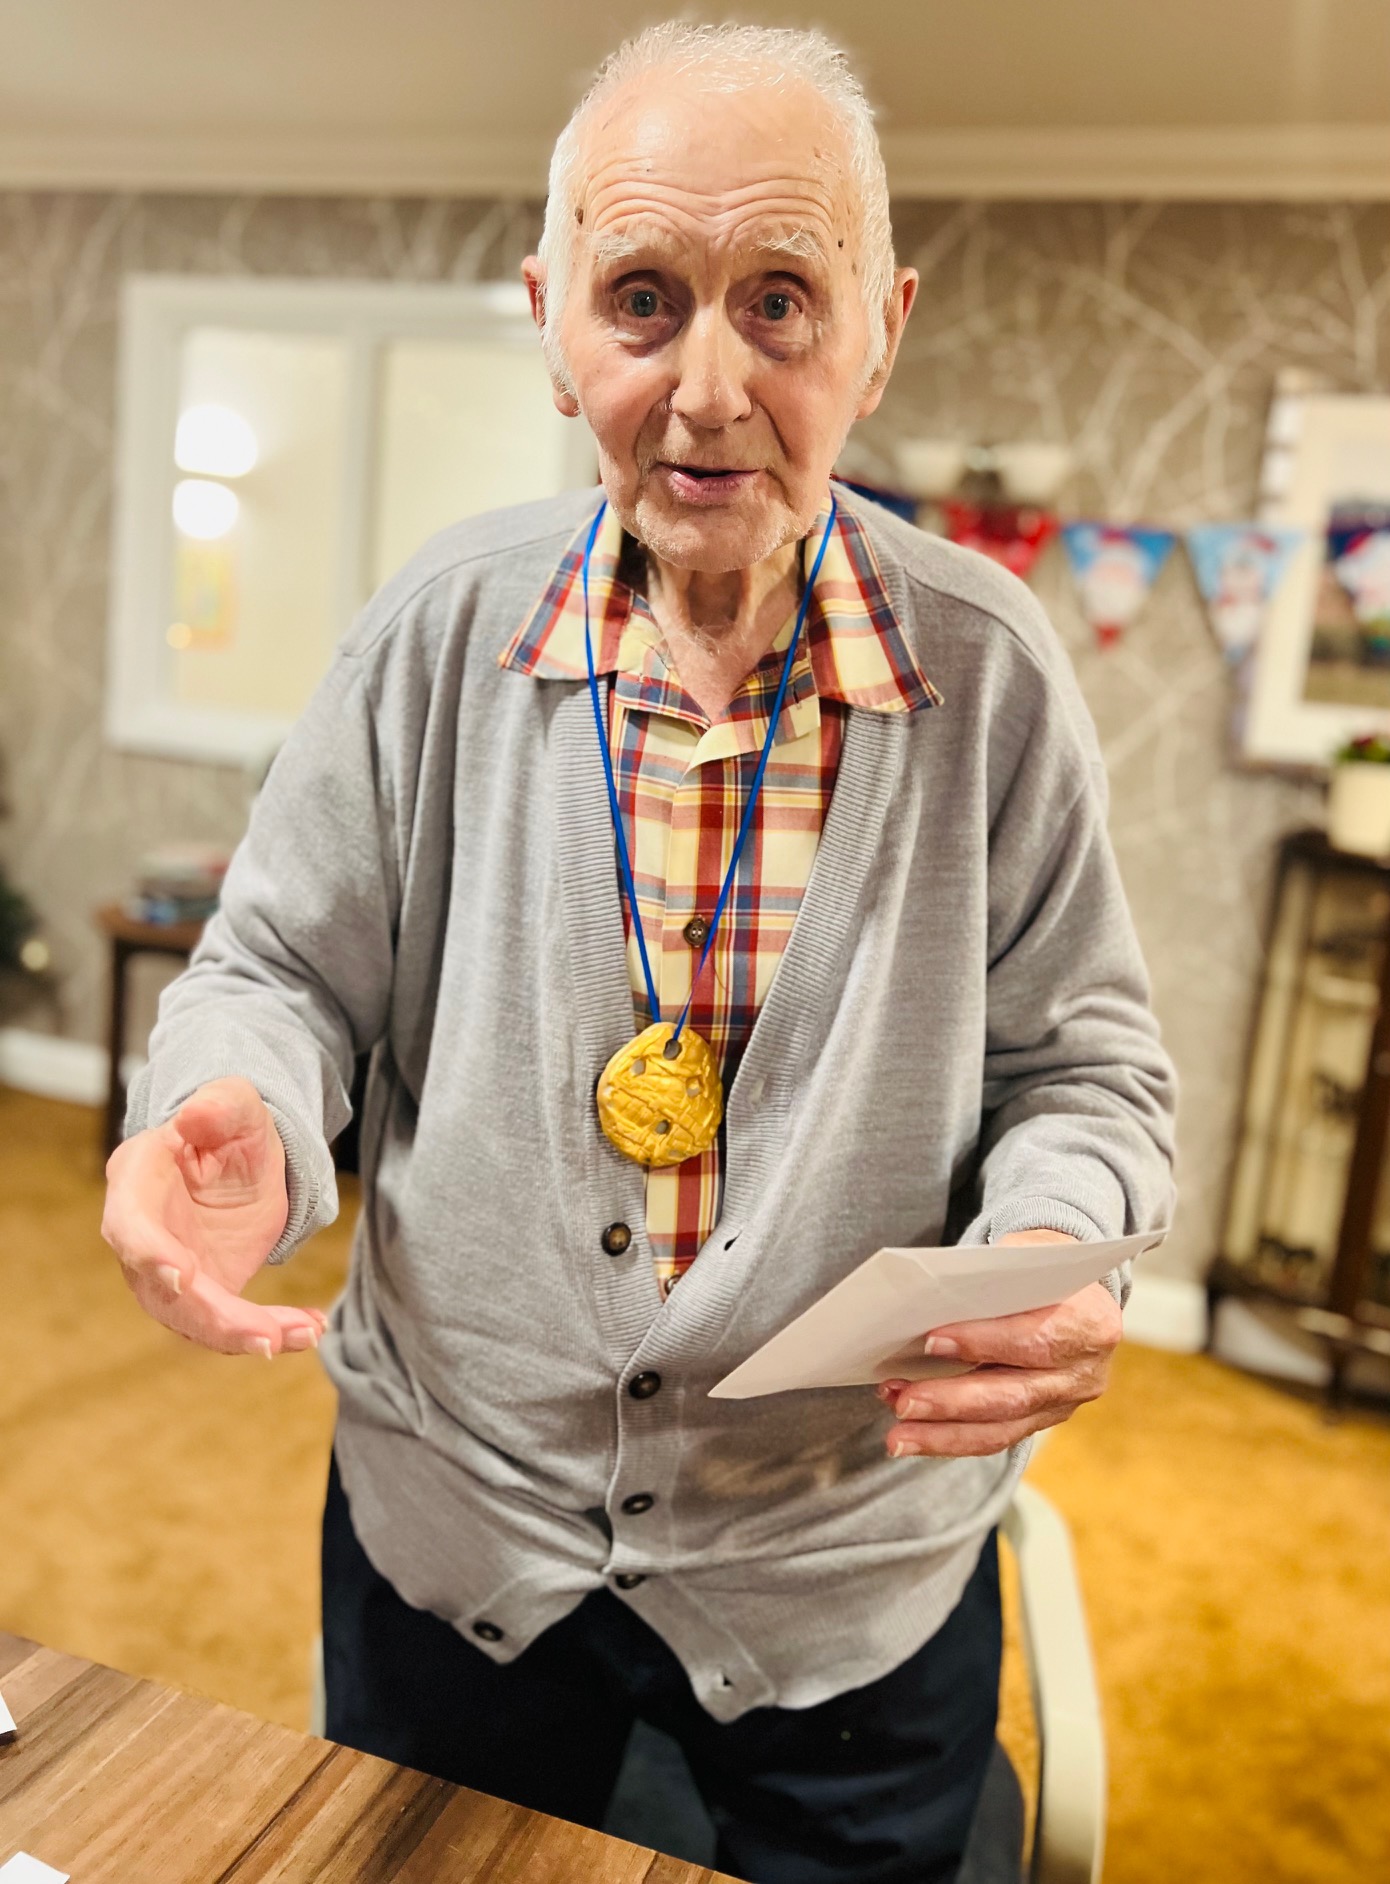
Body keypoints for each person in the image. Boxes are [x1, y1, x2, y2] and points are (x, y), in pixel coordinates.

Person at [100, 22, 1177, 1883]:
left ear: (881, 324)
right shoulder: (432, 638)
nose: (704, 386)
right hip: (455, 1541)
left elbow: (1087, 1072)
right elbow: (276, 975)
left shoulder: (991, 672)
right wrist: (244, 1114)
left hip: (844, 1571)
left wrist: (1038, 1244)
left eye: (778, 300)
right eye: (641, 298)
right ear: (549, 321)